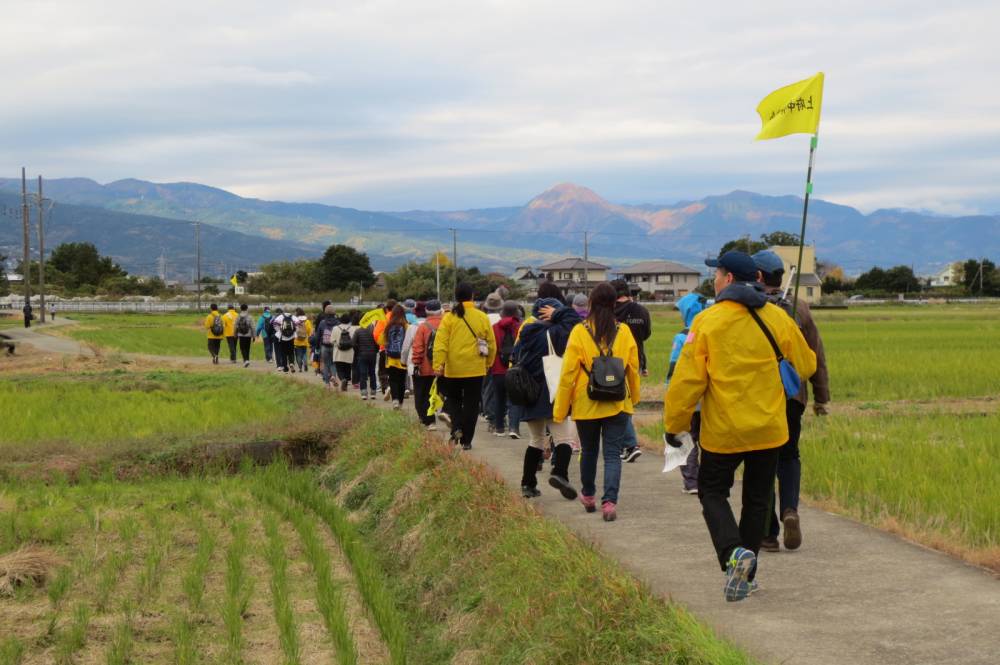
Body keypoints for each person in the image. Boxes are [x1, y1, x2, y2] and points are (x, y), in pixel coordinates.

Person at [664, 251, 816, 602]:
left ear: (729, 279)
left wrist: (675, 426)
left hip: (724, 432)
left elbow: (687, 382)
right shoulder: (777, 317)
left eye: (716, 274)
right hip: (769, 429)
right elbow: (806, 364)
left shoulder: (707, 322)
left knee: (712, 492)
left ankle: (733, 553)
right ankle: (746, 577)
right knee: (757, 501)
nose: (714, 280)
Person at [752, 250, 831, 552]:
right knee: (789, 455)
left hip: (760, 396)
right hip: (794, 395)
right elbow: (816, 357)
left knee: (763, 460)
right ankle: (790, 510)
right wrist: (821, 398)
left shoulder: (750, 309)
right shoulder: (799, 307)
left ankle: (768, 533)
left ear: (757, 276)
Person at [553, 282, 640, 522]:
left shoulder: (580, 331)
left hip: (586, 402)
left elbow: (567, 374)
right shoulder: (623, 331)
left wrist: (560, 410)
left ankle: (588, 495)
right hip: (617, 402)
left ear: (590, 303)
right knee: (612, 454)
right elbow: (632, 369)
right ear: (614, 304)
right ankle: (609, 503)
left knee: (589, 451)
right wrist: (634, 396)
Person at [512, 297, 583, 498]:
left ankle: (528, 484)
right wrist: (560, 313)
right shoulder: (557, 333)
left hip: (529, 393)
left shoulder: (526, 333)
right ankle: (560, 474)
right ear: (552, 313)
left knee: (536, 439)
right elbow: (574, 320)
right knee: (565, 438)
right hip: (553, 393)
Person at [433, 282, 497, 449]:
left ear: (456, 297)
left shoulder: (449, 317)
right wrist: (488, 362)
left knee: (453, 401)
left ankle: (456, 429)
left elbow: (440, 343)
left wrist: (438, 364)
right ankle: (467, 441)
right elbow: (491, 344)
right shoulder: (481, 317)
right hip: (475, 369)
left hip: (453, 369)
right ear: (472, 296)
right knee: (471, 404)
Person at [666, 293, 709, 494]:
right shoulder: (710, 332)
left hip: (689, 399)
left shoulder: (682, 337)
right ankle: (708, 480)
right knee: (707, 440)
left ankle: (692, 482)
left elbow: (674, 371)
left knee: (686, 439)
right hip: (709, 398)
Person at [609, 279, 651, 463]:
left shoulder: (611, 312)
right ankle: (626, 445)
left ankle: (628, 444)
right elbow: (647, 333)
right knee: (626, 401)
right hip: (637, 359)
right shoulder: (641, 310)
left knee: (617, 403)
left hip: (614, 361)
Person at [410, 299, 443, 430]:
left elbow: (418, 347)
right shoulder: (447, 324)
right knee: (445, 392)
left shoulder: (423, 327)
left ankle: (429, 421)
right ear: (440, 310)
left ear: (426, 312)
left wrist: (416, 362)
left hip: (426, 367)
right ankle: (449, 414)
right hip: (444, 367)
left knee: (423, 394)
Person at [490, 301, 522, 437]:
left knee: (499, 398)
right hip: (515, 368)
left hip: (498, 368)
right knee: (515, 399)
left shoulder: (494, 328)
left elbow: (491, 348)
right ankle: (514, 428)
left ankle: (499, 428)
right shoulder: (520, 327)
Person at [378, 305, 409, 409]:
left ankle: (394, 400)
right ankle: (400, 402)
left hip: (391, 359)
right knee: (401, 380)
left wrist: (388, 343)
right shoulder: (406, 325)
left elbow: (380, 341)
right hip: (403, 359)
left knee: (393, 379)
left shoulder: (388, 326)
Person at [372, 299, 397, 399]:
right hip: (399, 350)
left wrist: (382, 343)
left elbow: (376, 334)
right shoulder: (400, 318)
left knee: (382, 370)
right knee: (396, 370)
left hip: (385, 349)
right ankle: (395, 389)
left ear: (386, 308)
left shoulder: (383, 319)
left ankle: (386, 387)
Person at [314, 305, 340, 389]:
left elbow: (317, 336)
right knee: (333, 364)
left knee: (325, 365)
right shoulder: (338, 322)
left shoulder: (322, 322)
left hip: (324, 346)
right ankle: (333, 376)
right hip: (334, 346)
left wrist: (317, 347)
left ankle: (327, 384)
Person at [352, 321, 379, 400]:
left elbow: (353, 343)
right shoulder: (373, 331)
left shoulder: (358, 331)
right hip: (372, 355)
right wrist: (375, 351)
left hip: (361, 355)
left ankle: (364, 392)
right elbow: (377, 343)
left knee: (363, 373)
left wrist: (358, 351)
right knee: (372, 373)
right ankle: (373, 392)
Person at [271, 307, 296, 373]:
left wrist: (279, 331)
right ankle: (291, 363)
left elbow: (274, 324)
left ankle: (285, 368)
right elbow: (298, 324)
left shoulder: (280, 317)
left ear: (283, 311)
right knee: (291, 351)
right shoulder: (293, 317)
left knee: (283, 353)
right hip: (291, 337)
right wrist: (294, 332)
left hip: (283, 337)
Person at [292, 307, 313, 373]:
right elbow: (310, 331)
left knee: (298, 355)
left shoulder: (295, 320)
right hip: (305, 341)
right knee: (304, 354)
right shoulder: (307, 321)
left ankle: (300, 368)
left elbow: (293, 330)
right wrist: (309, 338)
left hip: (297, 341)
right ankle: (305, 364)